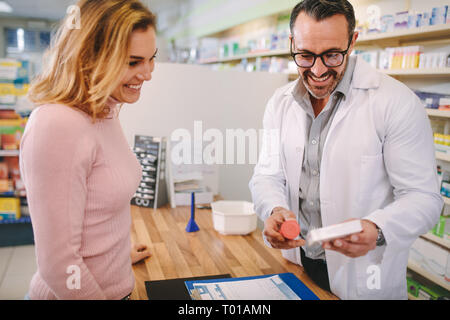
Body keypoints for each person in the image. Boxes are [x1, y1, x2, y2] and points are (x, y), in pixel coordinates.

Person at [249, 0, 443, 300]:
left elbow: (425, 198)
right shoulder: (279, 102)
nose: (317, 69)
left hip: (364, 279)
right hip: (297, 266)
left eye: (331, 55)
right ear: (292, 43)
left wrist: (378, 228)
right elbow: (266, 175)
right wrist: (273, 209)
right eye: (305, 55)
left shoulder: (395, 102)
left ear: (352, 41)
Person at [20, 0, 156, 300]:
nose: (148, 74)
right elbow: (58, 265)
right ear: (90, 56)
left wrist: (118, 258)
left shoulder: (105, 109)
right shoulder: (56, 124)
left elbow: (94, 214)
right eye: (133, 62)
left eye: (151, 58)